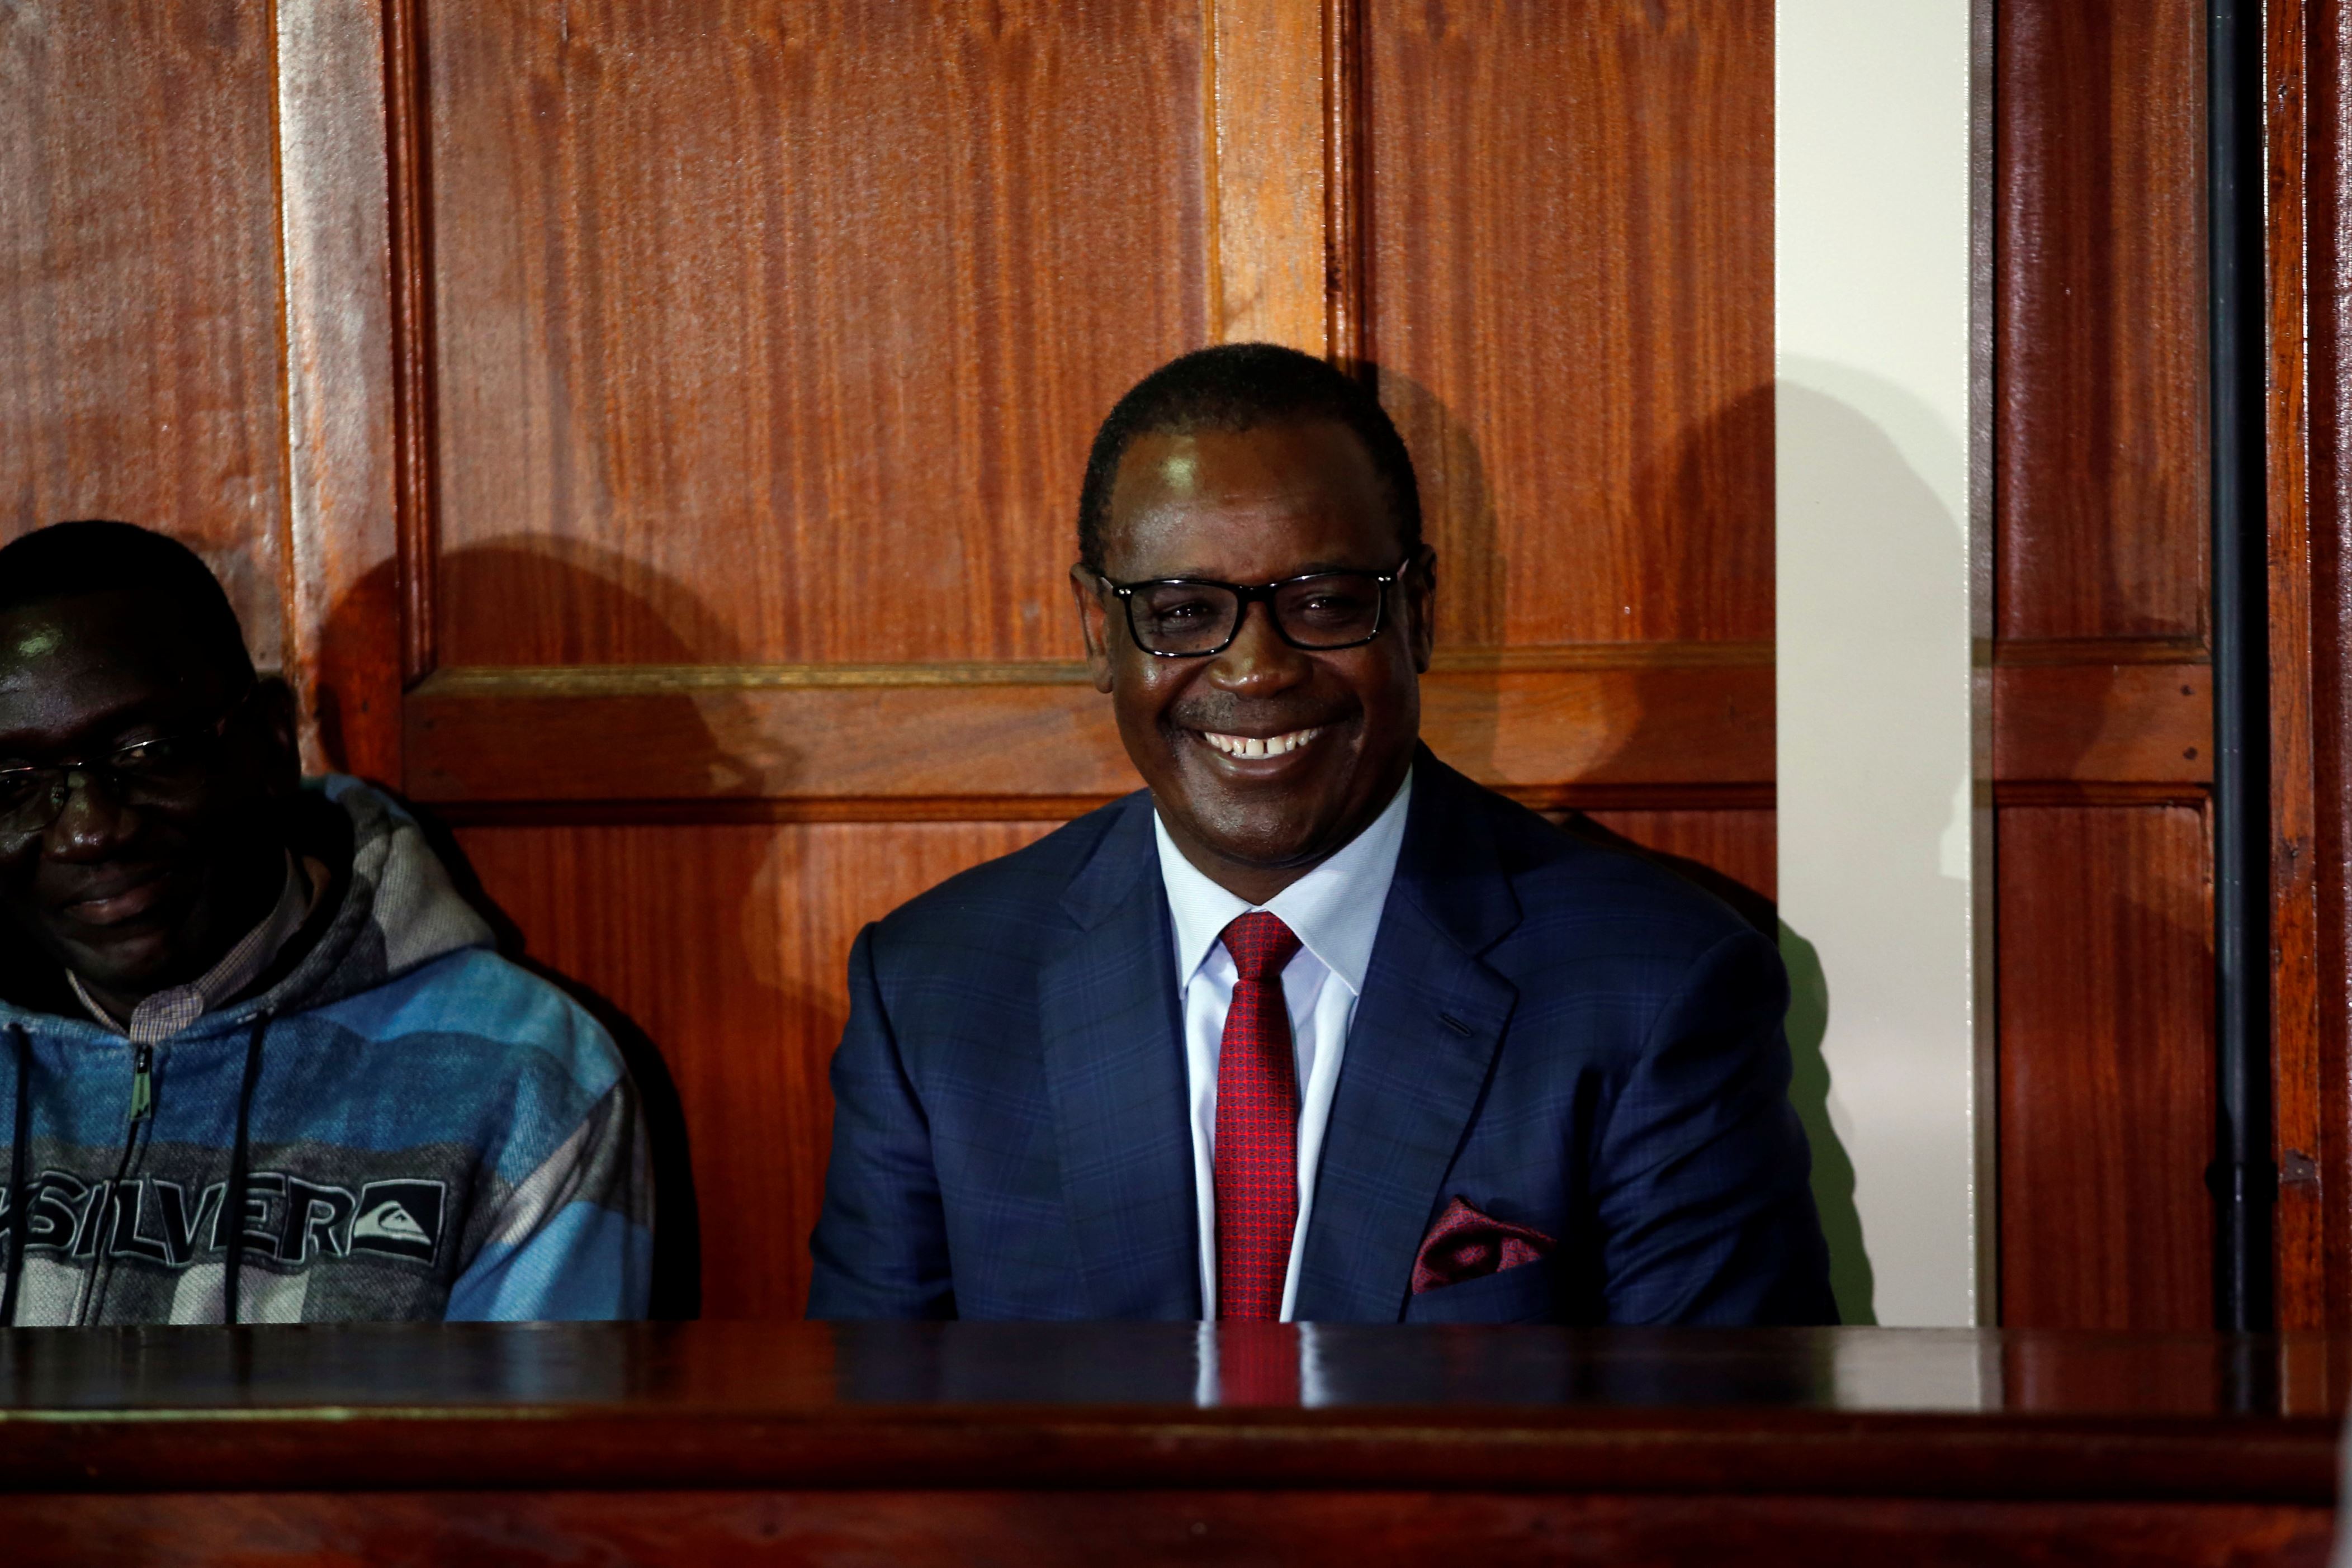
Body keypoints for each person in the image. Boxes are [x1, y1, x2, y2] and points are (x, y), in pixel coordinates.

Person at [808, 343, 1834, 1324]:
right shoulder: (934, 996)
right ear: (1098, 632)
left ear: (1419, 613)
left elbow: (1718, 1474)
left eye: (1326, 602)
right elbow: (872, 1464)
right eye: (1180, 610)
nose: (1256, 669)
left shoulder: (1656, 985)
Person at [0, 521, 650, 1324]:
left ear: (273, 741)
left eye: (146, 750)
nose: (90, 829)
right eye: (13, 780)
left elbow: (533, 1448)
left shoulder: (520, 1080)